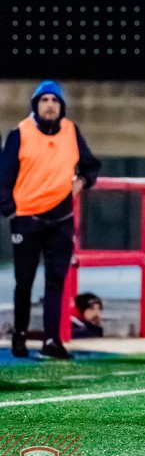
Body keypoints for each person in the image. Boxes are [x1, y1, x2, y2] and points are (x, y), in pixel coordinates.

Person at [0, 80, 101, 359]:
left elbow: (91, 166)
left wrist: (82, 180)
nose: (49, 105)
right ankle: (19, 336)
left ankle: (51, 340)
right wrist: (11, 209)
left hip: (61, 220)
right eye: (44, 100)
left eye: (55, 100)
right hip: (28, 220)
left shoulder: (71, 131)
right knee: (24, 282)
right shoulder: (20, 133)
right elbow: (3, 177)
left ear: (62, 106)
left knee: (56, 281)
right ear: (36, 105)